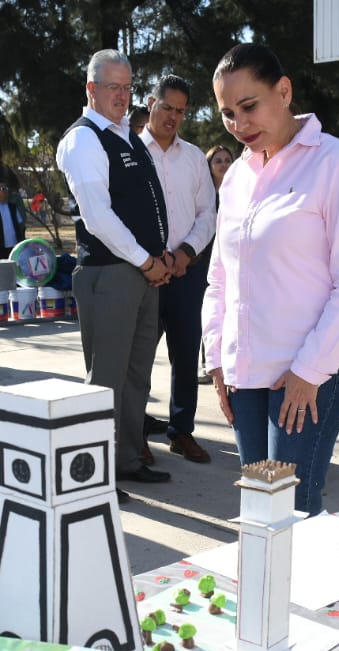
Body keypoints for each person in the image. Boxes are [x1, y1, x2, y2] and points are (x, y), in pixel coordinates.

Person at [204, 43, 339, 516]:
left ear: (284, 91)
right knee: (261, 508)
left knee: (293, 511)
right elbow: (221, 276)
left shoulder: (335, 165)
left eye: (248, 106)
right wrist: (216, 357)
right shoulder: (236, 176)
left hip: (311, 370)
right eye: (226, 114)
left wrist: (308, 372)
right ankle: (269, 593)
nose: (239, 125)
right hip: (246, 373)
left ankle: (303, 594)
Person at [57, 49, 173, 496]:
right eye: (112, 87)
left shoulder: (124, 135)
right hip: (111, 274)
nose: (122, 96)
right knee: (105, 380)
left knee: (136, 375)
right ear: (91, 89)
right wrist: (147, 261)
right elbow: (98, 217)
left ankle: (125, 459)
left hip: (142, 274)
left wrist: (157, 261)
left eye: (127, 88)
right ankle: (92, 477)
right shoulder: (85, 139)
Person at [140, 74, 217, 464]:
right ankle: (135, 432)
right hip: (143, 275)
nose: (173, 117)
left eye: (181, 111)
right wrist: (153, 260)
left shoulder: (193, 158)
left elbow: (208, 214)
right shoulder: (132, 152)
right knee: (136, 360)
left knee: (186, 356)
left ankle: (181, 431)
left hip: (187, 275)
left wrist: (184, 254)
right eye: (167, 107)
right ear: (151, 103)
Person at [193, 144, 233, 387]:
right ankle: (207, 362)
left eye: (228, 159)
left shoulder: (240, 191)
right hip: (204, 260)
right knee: (208, 313)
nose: (223, 164)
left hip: (231, 261)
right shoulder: (204, 195)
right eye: (218, 160)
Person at [0, 179, 26, 260]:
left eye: (7, 188)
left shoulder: (13, 207)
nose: (6, 191)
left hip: (15, 248)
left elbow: (20, 226)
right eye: (3, 188)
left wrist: (22, 243)